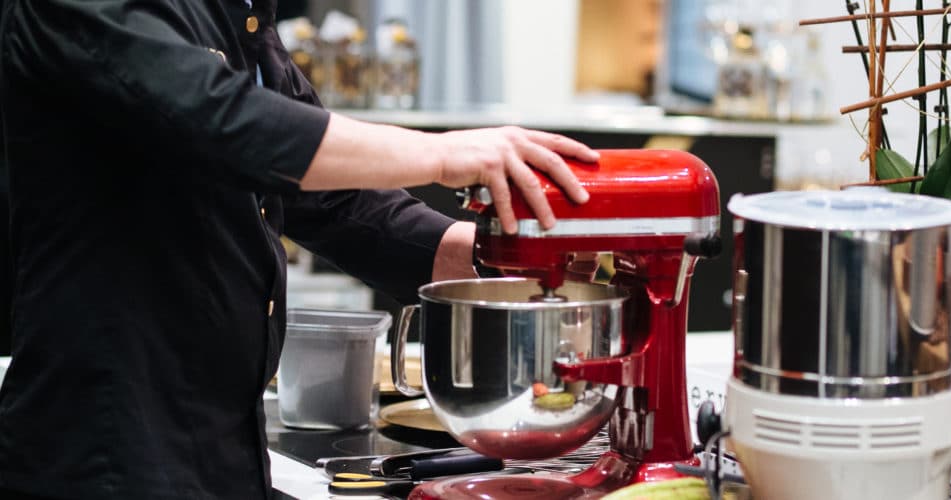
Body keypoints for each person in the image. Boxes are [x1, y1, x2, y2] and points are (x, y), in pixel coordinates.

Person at [0, 1, 598, 499]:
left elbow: (335, 202)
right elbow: (230, 124)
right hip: (107, 449)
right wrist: (443, 154)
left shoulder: (237, 17)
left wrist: (498, 257)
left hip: (223, 447)